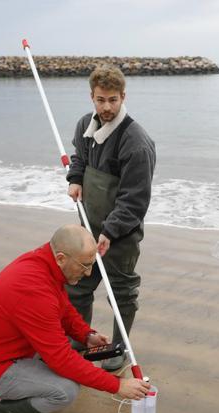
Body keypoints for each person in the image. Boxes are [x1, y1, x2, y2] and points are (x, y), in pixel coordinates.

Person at [0, 224, 150, 413]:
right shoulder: (32, 289)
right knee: (64, 390)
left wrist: (85, 335)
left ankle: (23, 399)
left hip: (12, 354)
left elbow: (63, 306)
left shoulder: (43, 263)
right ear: (60, 257)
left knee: (65, 370)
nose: (88, 273)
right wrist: (117, 385)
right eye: (85, 265)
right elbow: (61, 360)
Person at [65, 66, 156, 371]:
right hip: (87, 229)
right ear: (92, 96)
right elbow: (79, 158)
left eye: (113, 100)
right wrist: (75, 179)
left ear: (123, 97)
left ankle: (118, 350)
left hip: (121, 235)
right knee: (77, 287)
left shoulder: (136, 142)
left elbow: (135, 199)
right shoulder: (84, 126)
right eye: (101, 100)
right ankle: (79, 340)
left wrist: (110, 232)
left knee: (122, 293)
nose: (106, 107)